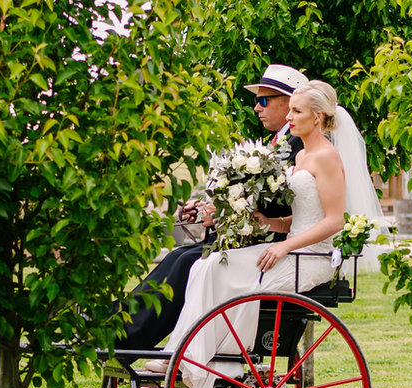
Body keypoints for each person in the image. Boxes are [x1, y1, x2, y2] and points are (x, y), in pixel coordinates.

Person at [161, 80, 352, 388]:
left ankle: (223, 365)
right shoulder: (302, 156)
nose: (289, 117)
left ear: (317, 117)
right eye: (289, 109)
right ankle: (181, 356)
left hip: (311, 258)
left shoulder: (327, 157)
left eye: (296, 110)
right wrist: (271, 222)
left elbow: (335, 220)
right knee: (206, 267)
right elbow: (307, 213)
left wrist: (285, 244)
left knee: (235, 281)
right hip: (290, 249)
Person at [110, 63, 308, 352]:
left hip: (269, 240)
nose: (257, 108)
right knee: (176, 257)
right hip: (249, 234)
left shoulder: (298, 145)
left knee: (184, 264)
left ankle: (127, 335)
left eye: (263, 100)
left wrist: (225, 212)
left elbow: (280, 203)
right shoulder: (276, 142)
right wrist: (213, 207)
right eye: (256, 101)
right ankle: (120, 320)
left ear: (289, 101)